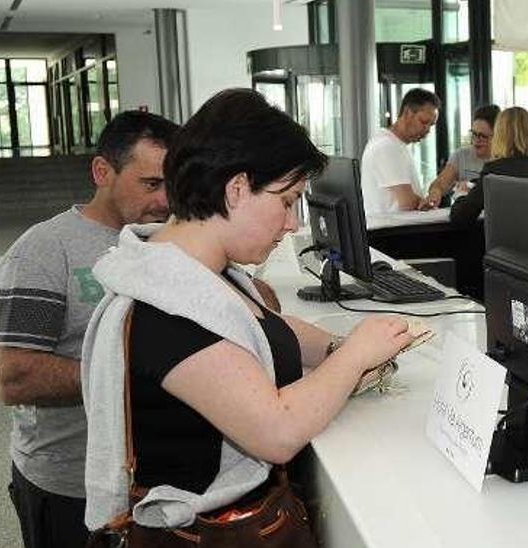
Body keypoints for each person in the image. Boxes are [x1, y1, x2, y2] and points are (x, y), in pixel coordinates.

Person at [80, 89, 413, 533]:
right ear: (236, 189)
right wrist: (355, 356)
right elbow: (276, 431)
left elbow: (266, 330)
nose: (293, 223)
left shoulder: (200, 273)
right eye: (287, 200)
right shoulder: (163, 308)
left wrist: (338, 346)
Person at [0, 110, 178, 548]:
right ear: (102, 171)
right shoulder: (42, 252)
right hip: (69, 486)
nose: (166, 200)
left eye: (174, 183)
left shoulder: (169, 240)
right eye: (151, 184)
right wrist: (139, 376)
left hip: (156, 485)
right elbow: (15, 377)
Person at [449, 106, 528, 227]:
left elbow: (460, 217)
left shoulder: (495, 170)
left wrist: (461, 194)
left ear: (500, 135)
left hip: (507, 244)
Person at [360, 88, 440, 214]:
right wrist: (427, 204)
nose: (427, 130)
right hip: (391, 230)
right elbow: (407, 202)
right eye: (424, 122)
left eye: (431, 125)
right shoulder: (387, 146)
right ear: (408, 112)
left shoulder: (392, 143)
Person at [421, 104, 501, 209]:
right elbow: (440, 183)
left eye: (483, 136)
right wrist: (435, 192)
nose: (476, 140)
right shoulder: (461, 156)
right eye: (474, 134)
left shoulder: (506, 159)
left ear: (498, 136)